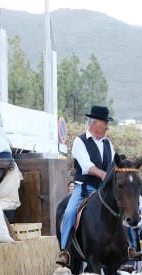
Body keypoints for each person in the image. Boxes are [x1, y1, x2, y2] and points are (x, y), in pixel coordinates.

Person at [58, 105, 116, 266]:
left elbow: (112, 164)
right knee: (69, 212)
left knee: (123, 210)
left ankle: (128, 248)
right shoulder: (80, 141)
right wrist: (105, 175)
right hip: (84, 189)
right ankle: (65, 251)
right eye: (105, 122)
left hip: (103, 191)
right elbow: (86, 166)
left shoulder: (108, 144)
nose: (107, 126)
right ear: (96, 123)